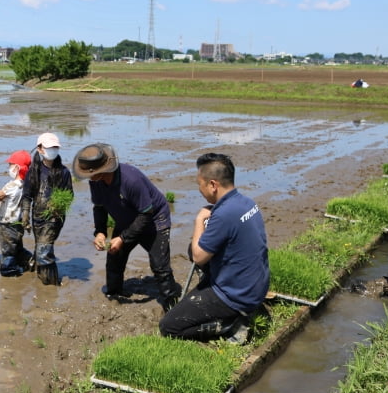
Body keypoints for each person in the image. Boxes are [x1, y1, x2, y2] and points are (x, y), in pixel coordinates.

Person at [160, 153, 270, 344]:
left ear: (213, 185)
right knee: (193, 248)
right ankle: (227, 304)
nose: (199, 189)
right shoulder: (247, 203)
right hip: (257, 286)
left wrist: (199, 219)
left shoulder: (223, 214)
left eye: (199, 184)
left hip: (237, 296)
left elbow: (198, 257)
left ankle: (229, 325)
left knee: (169, 326)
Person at [73, 143, 182, 307]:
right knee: (114, 258)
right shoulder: (95, 181)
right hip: (126, 219)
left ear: (101, 171)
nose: (87, 177)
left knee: (160, 266)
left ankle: (171, 304)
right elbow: (99, 207)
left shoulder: (131, 180)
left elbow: (146, 214)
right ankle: (114, 294)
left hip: (154, 220)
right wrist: (100, 232)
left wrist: (123, 238)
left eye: (90, 173)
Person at [21, 132, 73, 286]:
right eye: (50, 147)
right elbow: (27, 195)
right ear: (40, 149)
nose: (53, 150)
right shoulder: (33, 171)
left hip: (54, 218)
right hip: (37, 216)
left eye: (55, 147)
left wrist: (58, 207)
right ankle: (44, 280)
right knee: (41, 247)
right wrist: (25, 214)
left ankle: (50, 284)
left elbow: (69, 196)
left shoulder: (64, 172)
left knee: (44, 250)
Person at [0, 150, 34, 276]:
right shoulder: (26, 185)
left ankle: (9, 272)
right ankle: (31, 262)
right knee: (17, 248)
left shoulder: (12, 185)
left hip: (7, 225)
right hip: (18, 223)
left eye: (10, 165)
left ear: (17, 168)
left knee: (8, 251)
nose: (9, 167)